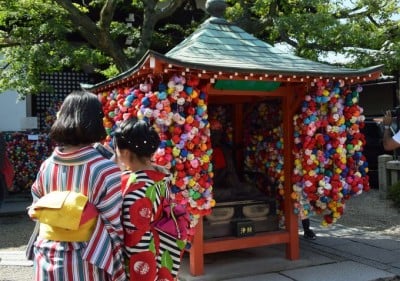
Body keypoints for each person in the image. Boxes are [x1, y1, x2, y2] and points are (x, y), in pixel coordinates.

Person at [28, 90, 126, 281]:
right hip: (86, 261)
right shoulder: (105, 170)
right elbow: (113, 227)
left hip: (46, 257)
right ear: (96, 121)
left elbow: (36, 210)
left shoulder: (47, 166)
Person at [113, 118, 187, 280]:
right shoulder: (161, 176)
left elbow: (138, 247)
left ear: (125, 152)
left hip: (145, 267)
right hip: (161, 259)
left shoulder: (136, 192)